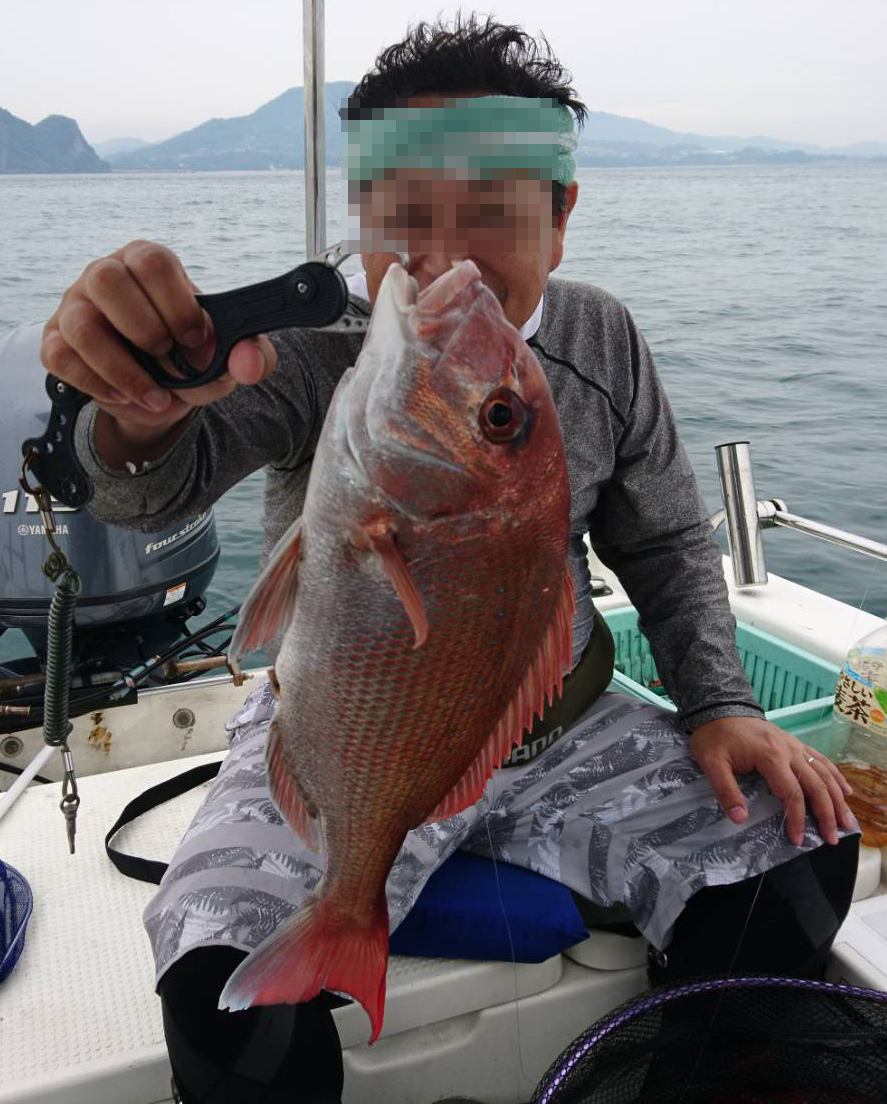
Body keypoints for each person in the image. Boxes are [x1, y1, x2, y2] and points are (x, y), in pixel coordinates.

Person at [41, 17, 859, 1104]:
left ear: (559, 218)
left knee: (802, 845)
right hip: (343, 737)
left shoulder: (602, 340)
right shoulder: (311, 355)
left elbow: (663, 542)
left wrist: (717, 705)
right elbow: (154, 481)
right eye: (403, 211)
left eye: (489, 208)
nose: (445, 252)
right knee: (215, 980)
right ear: (361, 221)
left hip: (563, 728)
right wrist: (134, 415)